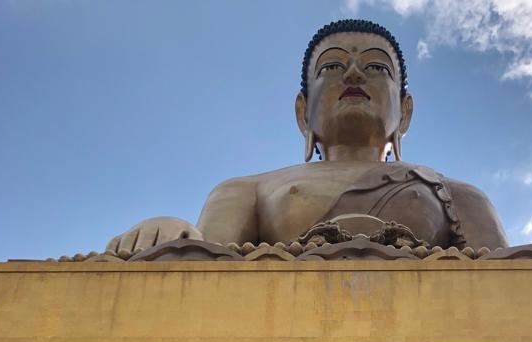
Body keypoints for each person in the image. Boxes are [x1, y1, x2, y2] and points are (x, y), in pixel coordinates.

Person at [106, 19, 508, 257]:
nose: (354, 74)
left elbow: (508, 277)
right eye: (332, 66)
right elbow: (203, 263)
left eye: (376, 67)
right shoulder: (248, 189)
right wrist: (171, 230)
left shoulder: (455, 194)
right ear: (303, 111)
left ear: (405, 111)